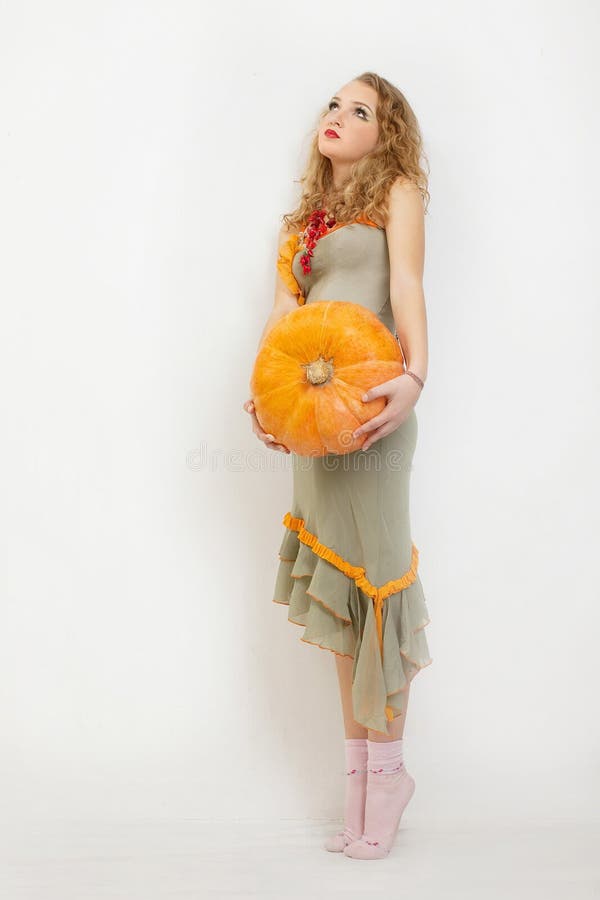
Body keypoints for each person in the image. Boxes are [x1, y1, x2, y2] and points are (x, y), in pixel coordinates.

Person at [243, 72, 433, 860]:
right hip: (312, 423)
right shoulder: (304, 222)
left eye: (362, 111)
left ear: (384, 135)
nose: (339, 116)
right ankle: (360, 780)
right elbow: (282, 323)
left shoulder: (398, 192)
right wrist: (265, 398)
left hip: (374, 415)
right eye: (334, 103)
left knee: (378, 588)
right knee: (342, 606)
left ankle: (387, 774)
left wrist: (415, 379)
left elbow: (407, 285)